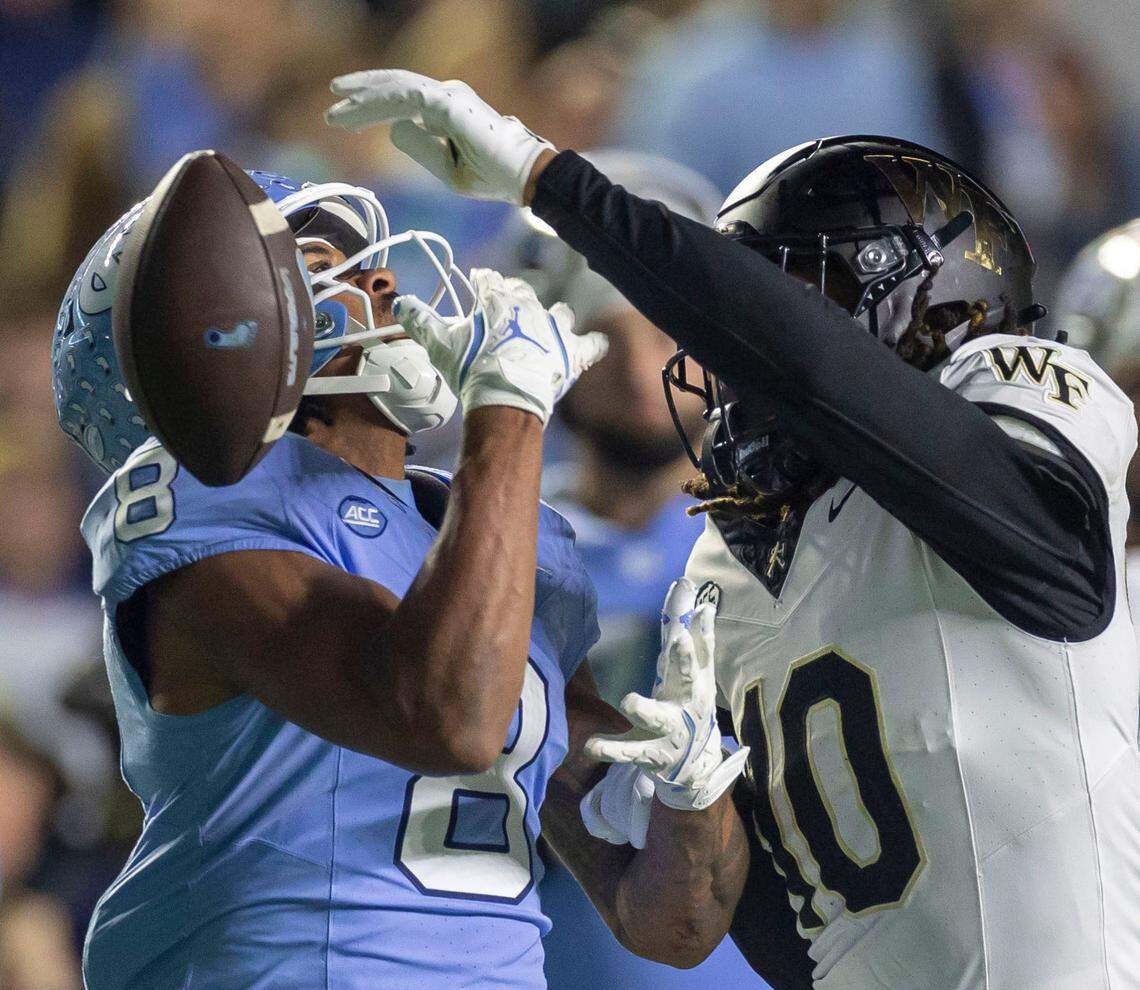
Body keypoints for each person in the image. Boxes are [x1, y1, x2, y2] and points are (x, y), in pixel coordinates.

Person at [326, 69, 1140, 988]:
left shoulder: (1026, 415)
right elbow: (737, 925)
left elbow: (823, 377)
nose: (724, 367)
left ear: (934, 316)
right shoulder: (734, 566)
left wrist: (554, 181)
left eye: (783, 304)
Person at [51, 169, 613, 987]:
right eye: (322, 265)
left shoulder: (501, 526)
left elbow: (668, 917)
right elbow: (446, 717)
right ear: (207, 340)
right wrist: (512, 409)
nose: (380, 281)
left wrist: (697, 773)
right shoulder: (193, 497)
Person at [506, 149, 763, 989]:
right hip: (563, 948)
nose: (636, 368)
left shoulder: (779, 527)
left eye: (660, 330)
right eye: (604, 335)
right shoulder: (497, 533)